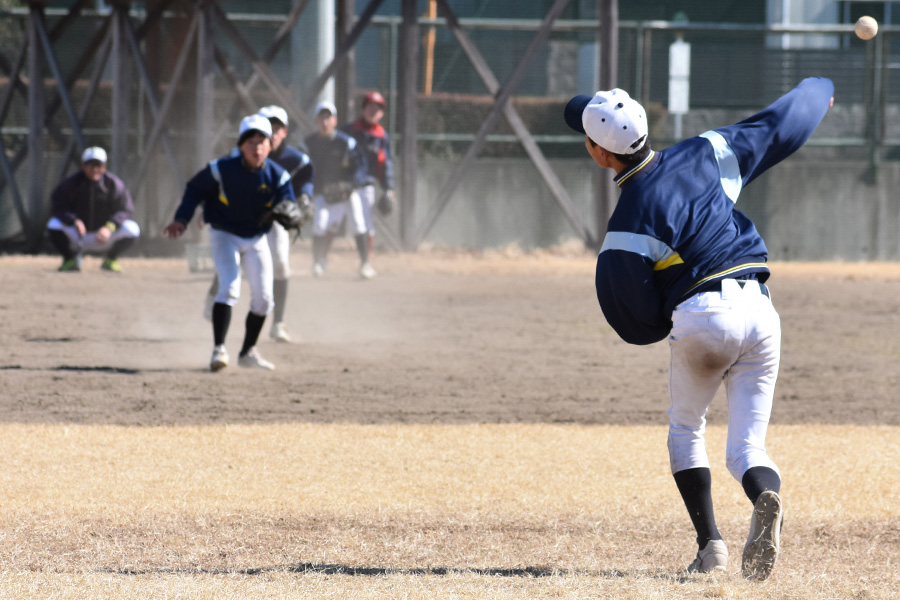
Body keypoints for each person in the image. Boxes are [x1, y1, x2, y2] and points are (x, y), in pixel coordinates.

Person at [564, 78, 834, 580]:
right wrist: (819, 92)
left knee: (687, 429)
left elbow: (630, 316)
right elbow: (775, 127)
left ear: (601, 155)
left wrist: (671, 320)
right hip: (761, 311)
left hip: (704, 316)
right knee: (747, 449)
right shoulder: (706, 151)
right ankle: (764, 495)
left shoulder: (627, 220)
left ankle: (711, 548)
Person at [164, 114, 296, 372]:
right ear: (240, 145)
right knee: (230, 287)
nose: (257, 147)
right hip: (224, 234)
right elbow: (194, 189)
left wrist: (292, 210)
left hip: (256, 238)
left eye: (262, 141)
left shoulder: (277, 175)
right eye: (250, 141)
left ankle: (248, 352)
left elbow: (290, 201)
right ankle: (219, 349)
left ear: (271, 145)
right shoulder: (221, 169)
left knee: (265, 299)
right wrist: (182, 218)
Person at [202, 105, 313, 344]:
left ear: (285, 131)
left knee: (281, 264)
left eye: (277, 127)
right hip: (243, 218)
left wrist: (303, 200)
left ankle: (278, 324)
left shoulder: (297, 160)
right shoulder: (240, 155)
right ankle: (213, 297)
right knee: (234, 262)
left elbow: (305, 185)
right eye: (267, 126)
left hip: (275, 219)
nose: (271, 132)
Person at [46, 146, 141, 273]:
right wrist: (73, 221)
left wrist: (109, 227)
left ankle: (111, 259)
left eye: (99, 164)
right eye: (90, 164)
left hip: (103, 237)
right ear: (83, 166)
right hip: (79, 236)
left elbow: (126, 210)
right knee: (54, 224)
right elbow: (57, 206)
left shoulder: (113, 184)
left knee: (132, 229)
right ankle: (69, 260)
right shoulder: (71, 183)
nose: (95, 169)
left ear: (104, 166)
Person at [303, 101, 370, 279]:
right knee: (320, 224)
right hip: (324, 193)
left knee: (358, 222)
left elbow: (361, 165)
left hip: (348, 191)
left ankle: (365, 264)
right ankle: (317, 262)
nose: (325, 122)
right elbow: (304, 169)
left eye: (328, 117)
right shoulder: (309, 143)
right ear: (316, 120)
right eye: (321, 118)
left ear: (335, 120)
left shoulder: (346, 142)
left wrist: (351, 185)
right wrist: (313, 190)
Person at [341, 91, 396, 278]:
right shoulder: (350, 131)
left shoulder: (381, 136)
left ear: (381, 113)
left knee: (367, 225)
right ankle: (320, 260)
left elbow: (385, 162)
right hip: (348, 186)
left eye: (378, 108)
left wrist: (389, 189)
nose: (373, 111)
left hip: (368, 186)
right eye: (370, 106)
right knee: (335, 222)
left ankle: (365, 262)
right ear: (363, 109)